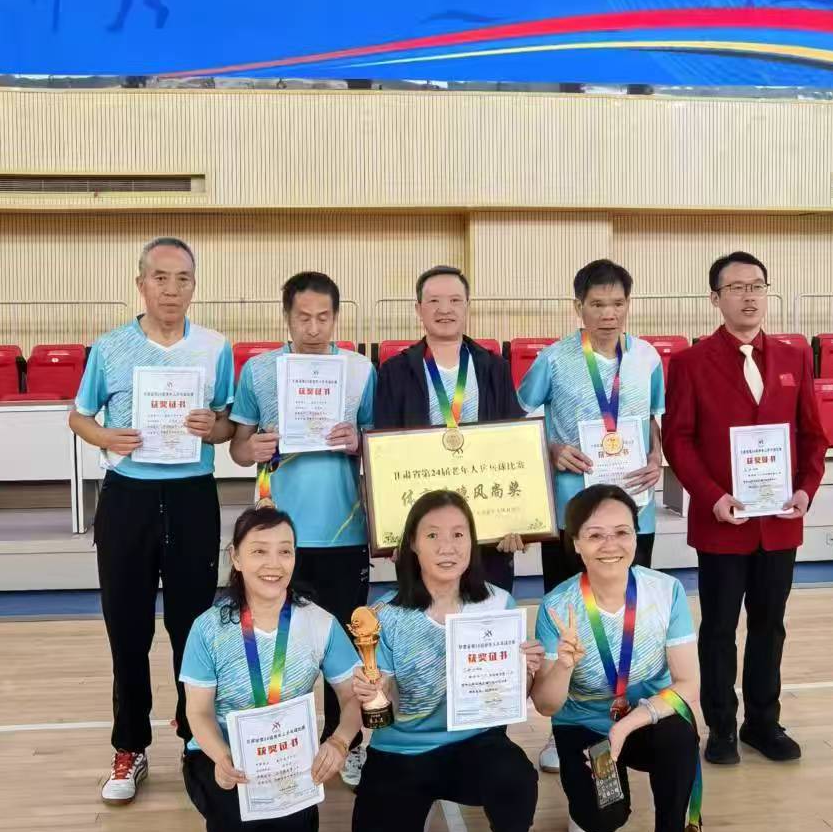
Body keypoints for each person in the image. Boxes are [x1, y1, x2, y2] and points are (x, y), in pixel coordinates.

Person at [70, 237, 234, 803]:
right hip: (128, 501)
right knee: (128, 631)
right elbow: (78, 416)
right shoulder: (110, 346)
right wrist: (105, 436)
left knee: (193, 630)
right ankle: (130, 747)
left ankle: (196, 738)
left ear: (194, 286)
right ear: (141, 283)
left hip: (192, 498)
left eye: (182, 278)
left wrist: (212, 428)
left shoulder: (215, 348)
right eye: (160, 277)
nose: (171, 288)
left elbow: (227, 425)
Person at [662, 252, 827, 766]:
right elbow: (679, 440)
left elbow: (813, 436)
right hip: (722, 522)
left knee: (769, 626)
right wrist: (711, 496)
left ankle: (763, 722)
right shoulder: (690, 363)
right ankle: (720, 728)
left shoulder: (795, 358)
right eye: (736, 288)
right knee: (718, 629)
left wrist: (805, 490)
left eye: (757, 286)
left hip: (780, 522)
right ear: (716, 299)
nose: (749, 296)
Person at [350, 490, 547, 832]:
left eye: (458, 534)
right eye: (433, 535)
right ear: (412, 544)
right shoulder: (384, 616)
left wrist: (526, 669)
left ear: (472, 542)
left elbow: (515, 698)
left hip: (473, 743)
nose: (447, 546)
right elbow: (385, 713)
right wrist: (375, 693)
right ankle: (415, 814)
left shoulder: (498, 603)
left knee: (515, 777)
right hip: (401, 750)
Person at [179, 505, 363, 832]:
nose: (273, 563)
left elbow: (352, 698)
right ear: (236, 558)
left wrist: (339, 742)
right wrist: (221, 756)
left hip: (288, 758)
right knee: (228, 796)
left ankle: (253, 828)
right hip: (222, 755)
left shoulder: (319, 623)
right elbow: (198, 711)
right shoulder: (209, 628)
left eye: (285, 551)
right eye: (259, 551)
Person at [229, 271, 375, 787]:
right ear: (286, 317)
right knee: (276, 645)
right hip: (276, 536)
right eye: (303, 317)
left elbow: (379, 440)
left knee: (346, 647)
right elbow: (238, 446)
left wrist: (358, 441)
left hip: (343, 531)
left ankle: (347, 742)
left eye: (323, 317)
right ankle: (278, 743)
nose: (313, 328)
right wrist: (252, 448)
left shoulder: (359, 370)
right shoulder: (259, 371)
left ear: (336, 317)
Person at [518, 260, 664, 774]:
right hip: (570, 514)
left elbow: (653, 418)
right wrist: (553, 448)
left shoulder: (647, 357)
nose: (608, 314)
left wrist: (656, 456)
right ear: (578, 306)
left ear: (628, 305)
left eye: (617, 303)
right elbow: (519, 418)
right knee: (568, 624)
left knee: (630, 620)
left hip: (633, 513)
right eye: (597, 304)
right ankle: (564, 731)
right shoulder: (554, 359)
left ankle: (630, 720)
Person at [531, 485, 709, 832]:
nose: (610, 545)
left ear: (636, 534)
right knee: (600, 821)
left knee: (679, 734)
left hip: (644, 718)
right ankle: (590, 804)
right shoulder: (557, 606)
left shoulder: (666, 591)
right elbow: (546, 705)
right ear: (576, 543)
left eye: (622, 532)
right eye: (595, 535)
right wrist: (564, 665)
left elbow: (688, 685)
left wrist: (626, 726)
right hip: (586, 726)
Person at [373, 265, 525, 591]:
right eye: (434, 301)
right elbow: (384, 455)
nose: (445, 309)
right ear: (418, 309)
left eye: (455, 300)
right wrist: (390, 527)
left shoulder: (494, 368)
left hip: (486, 524)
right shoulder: (395, 372)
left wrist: (516, 519)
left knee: (485, 610)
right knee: (424, 612)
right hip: (422, 522)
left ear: (467, 307)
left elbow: (514, 445)